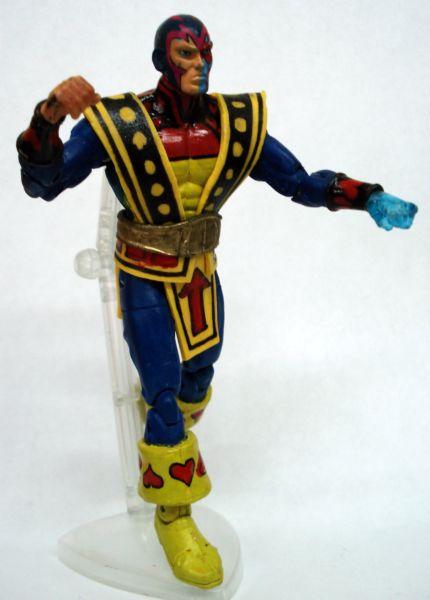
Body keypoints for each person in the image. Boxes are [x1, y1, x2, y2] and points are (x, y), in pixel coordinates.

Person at [16, 14, 417, 590]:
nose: (198, 64)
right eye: (186, 53)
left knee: (198, 375)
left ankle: (167, 421)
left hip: (200, 274)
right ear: (163, 59)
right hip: (143, 274)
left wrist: (366, 196)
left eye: (204, 53)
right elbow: (44, 184)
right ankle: (173, 512)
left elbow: (299, 181)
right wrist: (49, 115)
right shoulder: (119, 123)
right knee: (162, 390)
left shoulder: (234, 124)